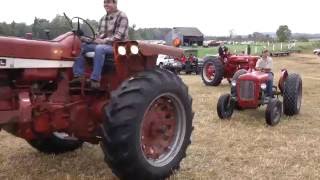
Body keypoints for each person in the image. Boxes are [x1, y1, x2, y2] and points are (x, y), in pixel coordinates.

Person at [72, 0, 129, 89]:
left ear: (115, 3)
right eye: (104, 2)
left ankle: (95, 79)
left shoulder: (122, 16)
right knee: (82, 47)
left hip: (117, 46)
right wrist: (83, 37)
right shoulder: (103, 18)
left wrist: (103, 41)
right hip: (104, 45)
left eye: (108, 2)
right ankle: (79, 76)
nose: (106, 4)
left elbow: (118, 36)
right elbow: (98, 36)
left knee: (99, 48)